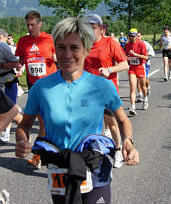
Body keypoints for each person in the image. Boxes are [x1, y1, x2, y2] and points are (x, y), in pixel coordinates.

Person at [15, 17, 139, 204]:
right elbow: (24, 125)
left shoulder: (102, 86)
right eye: (61, 47)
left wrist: (128, 142)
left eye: (74, 48)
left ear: (86, 49)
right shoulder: (41, 88)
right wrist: (22, 142)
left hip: (94, 168)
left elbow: (122, 120)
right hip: (60, 169)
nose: (67, 54)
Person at [84, 14, 129, 169]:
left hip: (107, 91)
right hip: (89, 93)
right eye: (87, 27)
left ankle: (118, 149)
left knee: (112, 124)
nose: (89, 30)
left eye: (93, 27)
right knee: (91, 124)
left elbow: (125, 64)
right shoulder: (85, 44)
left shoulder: (111, 42)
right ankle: (98, 151)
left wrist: (110, 69)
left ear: (102, 29)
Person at [15, 11, 57, 168]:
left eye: (33, 24)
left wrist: (57, 58)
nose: (30, 27)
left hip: (50, 85)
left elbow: (60, 56)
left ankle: (40, 155)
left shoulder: (49, 39)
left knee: (44, 122)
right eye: (27, 24)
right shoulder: (23, 41)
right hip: (33, 86)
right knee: (39, 121)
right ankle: (41, 153)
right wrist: (19, 67)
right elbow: (20, 59)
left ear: (40, 24)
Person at [0, 29, 23, 142]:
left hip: (8, 81)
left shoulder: (2, 47)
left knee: (11, 112)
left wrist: (2, 65)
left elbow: (17, 63)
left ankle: (22, 132)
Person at [125, 28, 149, 116]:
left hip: (140, 67)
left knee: (143, 86)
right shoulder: (127, 45)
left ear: (136, 36)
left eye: (133, 36)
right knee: (132, 88)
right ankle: (133, 107)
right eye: (129, 36)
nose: (131, 38)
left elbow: (146, 57)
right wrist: (127, 58)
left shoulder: (141, 44)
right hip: (132, 68)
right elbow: (126, 56)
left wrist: (135, 54)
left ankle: (145, 98)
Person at [136, 32, 155, 99]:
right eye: (136, 36)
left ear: (141, 36)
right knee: (137, 80)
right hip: (137, 64)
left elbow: (152, 53)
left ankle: (148, 87)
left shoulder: (146, 44)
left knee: (145, 79)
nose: (137, 37)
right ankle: (140, 95)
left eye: (138, 36)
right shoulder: (133, 44)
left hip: (145, 63)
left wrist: (145, 55)